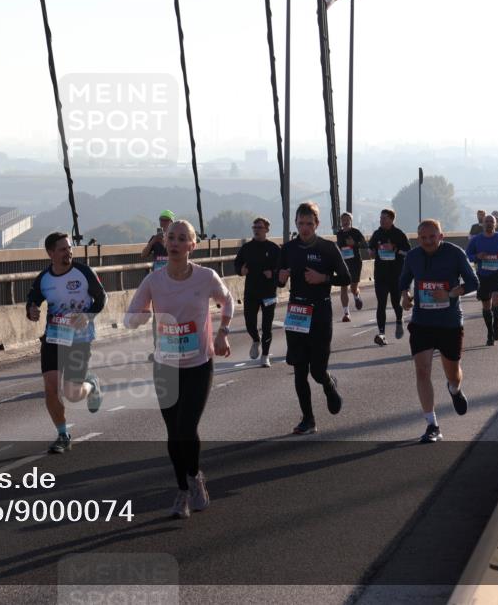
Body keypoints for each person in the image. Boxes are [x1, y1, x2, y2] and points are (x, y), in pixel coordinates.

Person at [124, 219, 233, 519]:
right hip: (165, 366)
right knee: (173, 434)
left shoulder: (206, 277)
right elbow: (129, 318)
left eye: (182, 238)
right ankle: (182, 490)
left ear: (192, 246)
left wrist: (223, 332)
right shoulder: (153, 281)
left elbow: (228, 301)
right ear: (164, 241)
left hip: (199, 363)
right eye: (170, 237)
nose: (174, 243)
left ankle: (195, 477)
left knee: (187, 428)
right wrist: (140, 317)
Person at [400, 220, 480, 443]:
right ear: (418, 238)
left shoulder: (455, 254)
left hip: (449, 322)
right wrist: (405, 295)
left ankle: (454, 390)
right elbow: (404, 279)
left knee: (452, 373)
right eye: (423, 238)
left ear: (441, 236)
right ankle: (432, 424)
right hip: (422, 322)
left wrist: (451, 294)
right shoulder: (413, 256)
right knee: (422, 370)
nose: (427, 242)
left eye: (432, 237)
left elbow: (474, 283)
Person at [26, 232, 106, 454]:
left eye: (70, 248)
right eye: (62, 249)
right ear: (51, 253)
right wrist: (31, 310)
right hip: (54, 336)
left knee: (72, 393)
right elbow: (32, 300)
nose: (68, 252)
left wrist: (87, 315)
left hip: (79, 338)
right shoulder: (44, 278)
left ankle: (91, 385)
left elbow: (101, 298)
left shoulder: (83, 272)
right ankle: (63, 434)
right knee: (51, 388)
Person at [278, 202, 351, 435]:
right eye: (300, 224)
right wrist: (279, 278)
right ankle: (308, 419)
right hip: (297, 312)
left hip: (320, 312)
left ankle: (329, 384)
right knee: (299, 369)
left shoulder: (328, 248)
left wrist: (323, 278)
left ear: (317, 224)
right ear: (296, 224)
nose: (305, 228)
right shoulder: (288, 249)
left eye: (309, 223)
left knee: (317, 371)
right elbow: (278, 281)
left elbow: (346, 277)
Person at [233, 216, 281, 367]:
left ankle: (265, 356)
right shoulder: (247, 248)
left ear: (266, 230)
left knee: (267, 326)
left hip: (269, 293)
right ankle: (255, 339)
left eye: (259, 227)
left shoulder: (274, 248)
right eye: (254, 228)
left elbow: (282, 268)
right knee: (249, 323)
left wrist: (272, 274)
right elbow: (237, 263)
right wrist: (241, 270)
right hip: (251, 292)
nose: (256, 230)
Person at [466, 214, 498, 345]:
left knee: (497, 301)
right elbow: (468, 255)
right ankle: (489, 332)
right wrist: (477, 256)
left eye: (491, 221)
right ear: (482, 224)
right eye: (486, 221)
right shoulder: (476, 239)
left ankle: (496, 326)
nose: (488, 223)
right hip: (483, 276)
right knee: (486, 306)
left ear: (495, 224)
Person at [368, 208, 411, 345]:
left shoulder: (399, 234)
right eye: (380, 218)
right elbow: (371, 249)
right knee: (381, 304)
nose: (381, 220)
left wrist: (395, 249)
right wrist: (372, 252)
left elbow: (408, 253)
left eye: (384, 218)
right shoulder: (377, 234)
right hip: (380, 274)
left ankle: (399, 320)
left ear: (391, 219)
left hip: (396, 275)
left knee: (395, 302)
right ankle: (381, 334)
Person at [142, 209, 176, 360]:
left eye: (166, 220)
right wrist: (153, 241)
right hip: (158, 283)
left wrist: (166, 242)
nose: (163, 223)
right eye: (161, 220)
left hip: (174, 281)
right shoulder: (155, 238)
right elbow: (143, 254)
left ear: (171, 222)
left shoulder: (176, 239)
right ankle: (157, 349)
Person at [335, 212, 366, 322]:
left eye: (347, 220)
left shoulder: (356, 232)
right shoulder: (339, 234)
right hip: (343, 263)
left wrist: (354, 244)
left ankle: (357, 296)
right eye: (343, 220)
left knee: (353, 288)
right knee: (343, 287)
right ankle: (346, 313)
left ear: (351, 221)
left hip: (355, 263)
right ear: (341, 222)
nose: (345, 222)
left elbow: (365, 245)